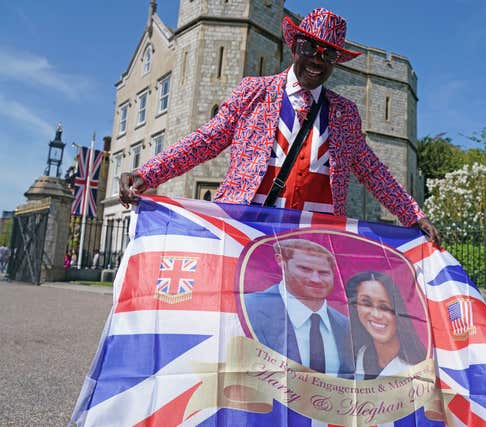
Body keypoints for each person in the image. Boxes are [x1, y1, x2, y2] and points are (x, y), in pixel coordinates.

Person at [118, 7, 440, 246]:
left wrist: (414, 214)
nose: (316, 59)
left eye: (327, 54)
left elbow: (373, 171)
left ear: (335, 62)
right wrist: (149, 173)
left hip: (314, 246)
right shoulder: (253, 93)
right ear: (294, 47)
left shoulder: (344, 114)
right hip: (246, 237)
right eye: (309, 48)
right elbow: (206, 140)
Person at [243, 239, 354, 377]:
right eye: (305, 269)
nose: (315, 279)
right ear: (282, 262)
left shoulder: (346, 326)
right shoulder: (246, 309)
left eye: (323, 272)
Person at [346, 270, 427, 380]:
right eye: (366, 303)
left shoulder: (417, 366)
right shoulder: (362, 353)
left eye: (384, 307)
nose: (376, 314)